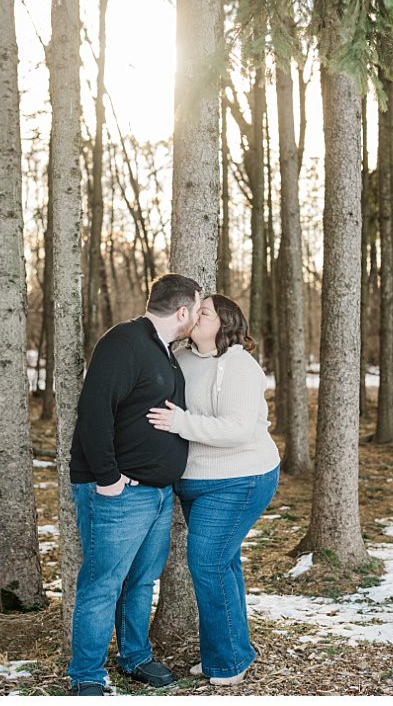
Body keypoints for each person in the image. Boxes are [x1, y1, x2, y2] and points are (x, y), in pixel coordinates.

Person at [67, 273, 202, 696]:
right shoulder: (123, 342)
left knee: (141, 582)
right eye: (197, 309)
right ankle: (86, 675)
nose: (197, 317)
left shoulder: (163, 350)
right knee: (102, 584)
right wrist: (107, 479)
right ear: (182, 312)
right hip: (118, 494)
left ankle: (134, 657)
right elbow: (93, 413)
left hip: (158, 495)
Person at [147, 294, 280, 686]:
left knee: (207, 563)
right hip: (195, 481)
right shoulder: (183, 357)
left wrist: (180, 423)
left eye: (205, 311)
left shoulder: (240, 366)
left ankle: (225, 664)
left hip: (242, 477)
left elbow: (237, 429)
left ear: (224, 322)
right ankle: (237, 649)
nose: (196, 316)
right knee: (223, 564)